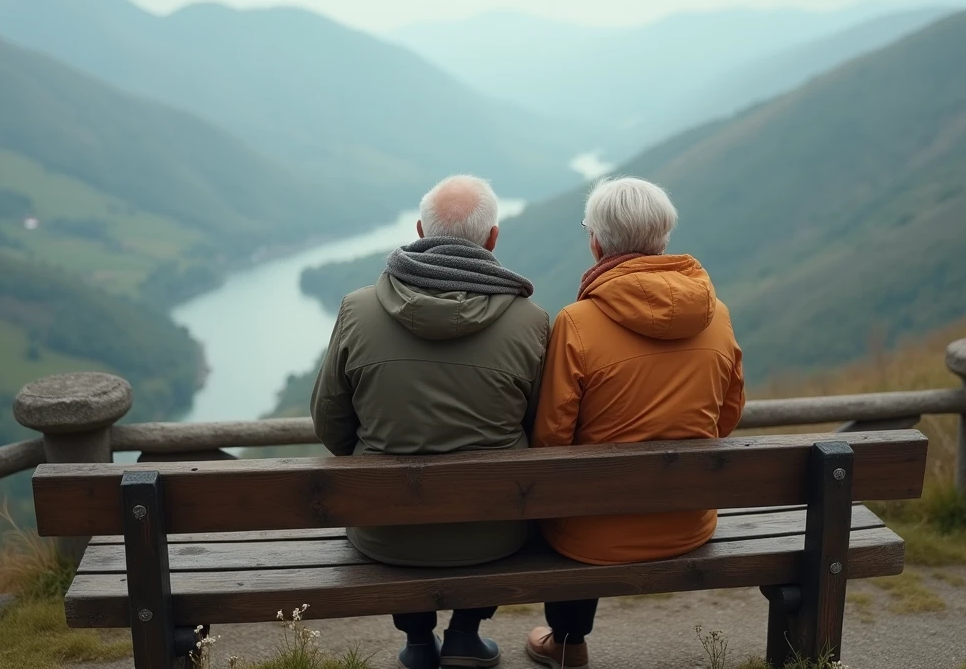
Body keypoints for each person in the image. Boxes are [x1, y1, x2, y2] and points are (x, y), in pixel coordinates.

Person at [310, 174, 549, 669]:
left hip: (384, 531)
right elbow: (543, 428)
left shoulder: (357, 309)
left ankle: (419, 642)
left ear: (420, 230)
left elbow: (330, 422)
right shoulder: (531, 322)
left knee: (393, 501)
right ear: (493, 238)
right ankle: (464, 633)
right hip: (495, 531)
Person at [523, 177, 745, 669]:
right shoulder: (718, 315)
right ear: (663, 238)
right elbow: (726, 418)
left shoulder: (576, 321)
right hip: (689, 523)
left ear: (597, 242)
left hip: (591, 538)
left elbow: (552, 440)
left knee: (561, 497)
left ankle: (568, 641)